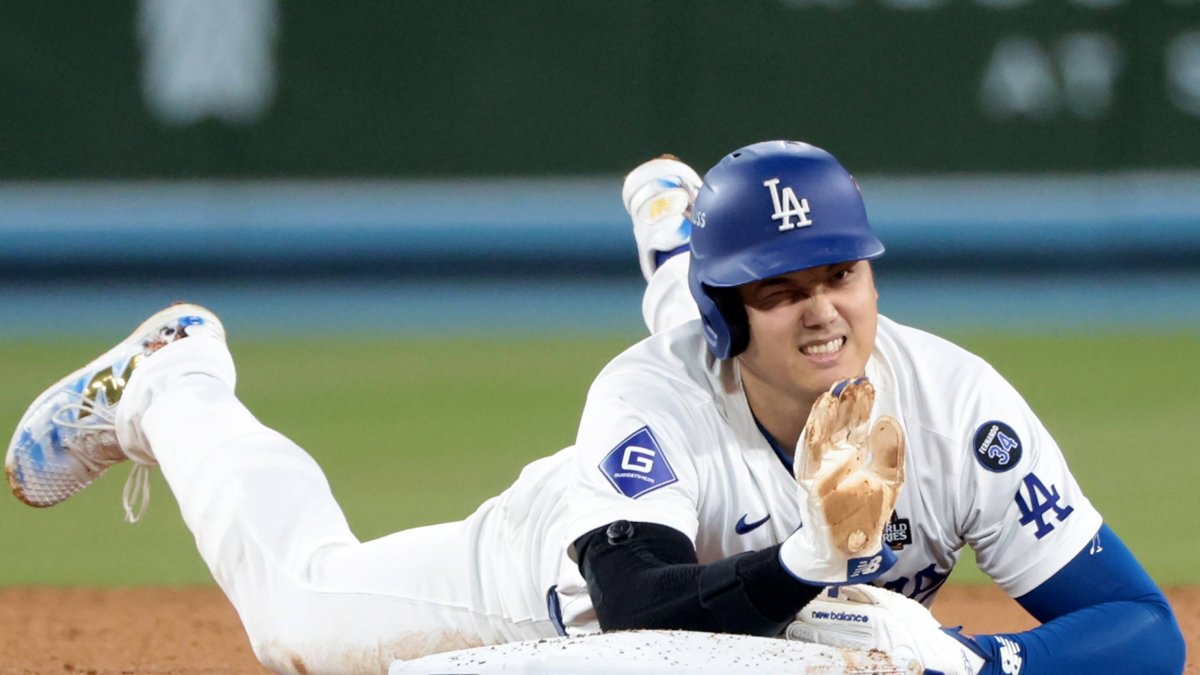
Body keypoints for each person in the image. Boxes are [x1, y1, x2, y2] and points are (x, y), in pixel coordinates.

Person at [6, 141, 1185, 675]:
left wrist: (982, 669)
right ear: (738, 305)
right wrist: (808, 557)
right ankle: (174, 382)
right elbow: (629, 612)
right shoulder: (646, 402)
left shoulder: (954, 401)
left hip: (735, 563)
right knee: (296, 620)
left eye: (844, 274)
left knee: (738, 343)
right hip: (555, 596)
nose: (826, 309)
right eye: (783, 287)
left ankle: (682, 240)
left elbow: (1144, 632)